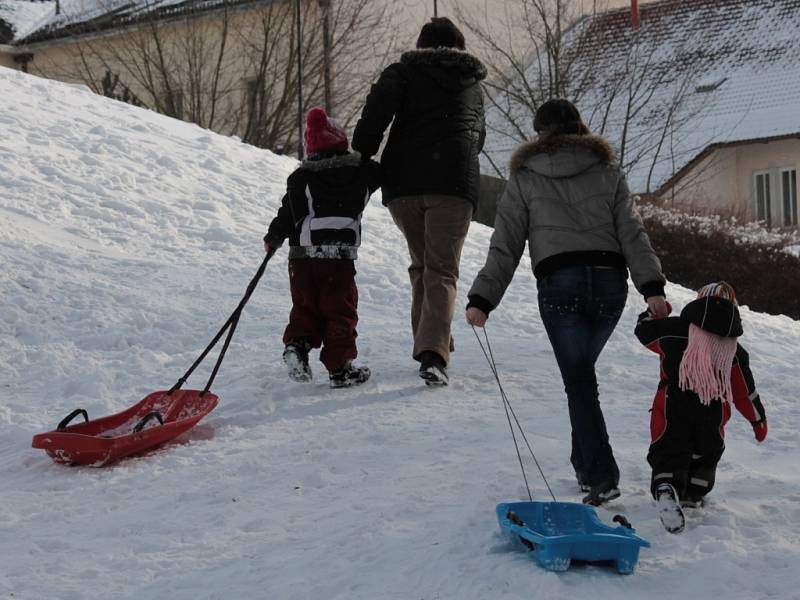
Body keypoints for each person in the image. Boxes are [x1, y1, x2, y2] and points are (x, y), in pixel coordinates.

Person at [465, 98, 668, 506]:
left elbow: (506, 243)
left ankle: (601, 475)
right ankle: (584, 462)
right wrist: (653, 288)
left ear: (541, 134)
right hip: (610, 286)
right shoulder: (608, 171)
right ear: (580, 128)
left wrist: (482, 298)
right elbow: (633, 233)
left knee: (579, 381)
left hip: (560, 286)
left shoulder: (524, 176)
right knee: (581, 376)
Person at [352, 16, 486, 386]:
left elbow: (375, 114)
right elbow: (478, 139)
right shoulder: (472, 84)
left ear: (421, 45)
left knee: (423, 266)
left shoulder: (402, 73)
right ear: (458, 48)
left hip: (405, 186)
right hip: (453, 186)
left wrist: (364, 150)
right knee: (441, 270)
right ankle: (433, 353)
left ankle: (432, 344)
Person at [634, 282, 767, 533]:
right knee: (707, 451)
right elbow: (744, 392)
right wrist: (758, 420)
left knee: (670, 446)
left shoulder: (671, 330)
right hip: (713, 407)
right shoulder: (734, 350)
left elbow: (643, 331)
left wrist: (654, 312)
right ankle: (694, 492)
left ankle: (666, 485)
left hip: (673, 400)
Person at [264, 107, 381, 388]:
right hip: (338, 259)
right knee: (339, 310)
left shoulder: (300, 178)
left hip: (302, 257)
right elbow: (382, 172)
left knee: (305, 307)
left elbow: (288, 214)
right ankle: (340, 368)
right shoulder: (362, 172)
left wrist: (273, 237)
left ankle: (296, 346)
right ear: (341, 141)